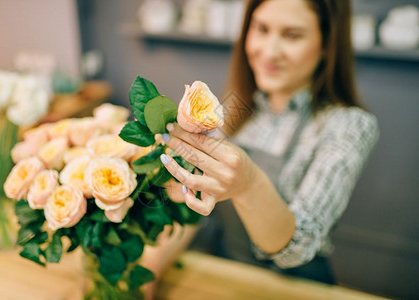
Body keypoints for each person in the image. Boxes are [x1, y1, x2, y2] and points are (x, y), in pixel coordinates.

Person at [142, 0, 379, 296]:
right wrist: (147, 275)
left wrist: (249, 183)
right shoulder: (232, 111)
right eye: (261, 29)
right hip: (230, 280)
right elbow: (192, 202)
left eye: (292, 35)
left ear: (327, 44)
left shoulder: (347, 126)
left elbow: (298, 246)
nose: (269, 51)